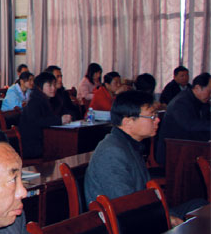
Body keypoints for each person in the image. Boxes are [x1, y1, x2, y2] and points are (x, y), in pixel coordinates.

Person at [85, 91, 206, 223]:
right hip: (128, 225)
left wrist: (169, 215)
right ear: (128, 122)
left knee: (200, 206)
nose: (157, 120)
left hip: (144, 213)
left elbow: (149, 194)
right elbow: (125, 207)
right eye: (152, 116)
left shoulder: (129, 144)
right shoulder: (111, 152)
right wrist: (167, 219)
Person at [156, 72, 210, 165]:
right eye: (210, 91)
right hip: (174, 152)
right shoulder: (181, 102)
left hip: (189, 148)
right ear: (197, 88)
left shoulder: (201, 101)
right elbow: (190, 125)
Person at [19, 72, 72, 159]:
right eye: (49, 85)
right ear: (40, 87)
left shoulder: (52, 99)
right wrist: (60, 120)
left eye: (54, 85)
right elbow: (38, 121)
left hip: (47, 139)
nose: (53, 88)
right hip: (34, 144)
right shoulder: (34, 102)